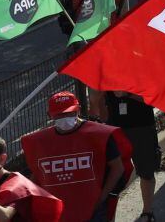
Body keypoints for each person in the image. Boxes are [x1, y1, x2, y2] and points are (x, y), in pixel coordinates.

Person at [21, 91, 132, 222]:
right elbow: (37, 174)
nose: (65, 117)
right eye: (59, 114)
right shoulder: (40, 141)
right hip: (60, 211)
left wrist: (102, 198)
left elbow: (117, 168)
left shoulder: (99, 135)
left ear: (78, 110)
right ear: (49, 115)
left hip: (94, 209)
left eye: (69, 113)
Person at [104, 88, 159, 221]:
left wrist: (127, 93)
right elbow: (99, 101)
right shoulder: (107, 71)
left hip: (142, 127)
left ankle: (147, 212)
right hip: (114, 129)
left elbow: (153, 99)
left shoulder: (141, 70)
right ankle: (110, 216)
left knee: (146, 171)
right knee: (111, 175)